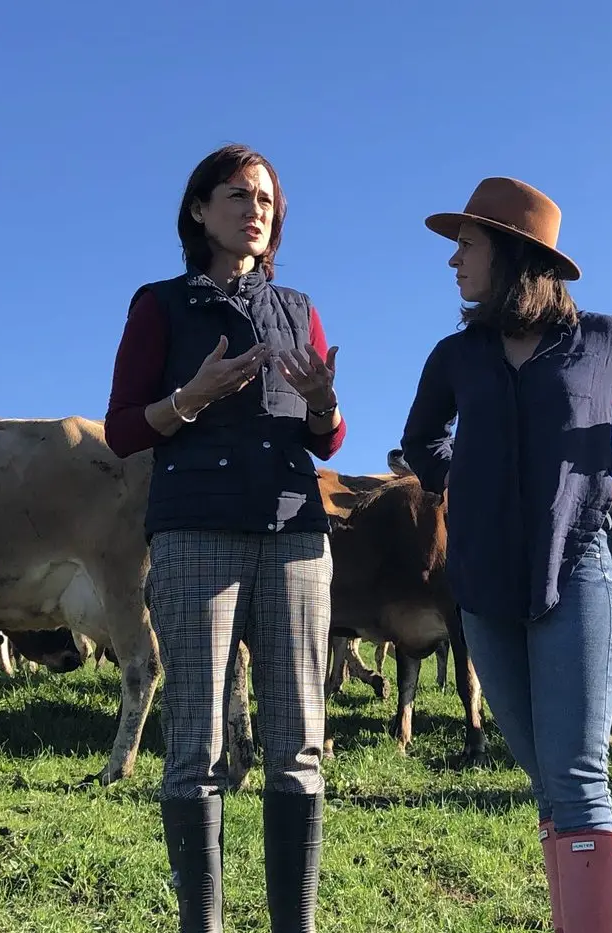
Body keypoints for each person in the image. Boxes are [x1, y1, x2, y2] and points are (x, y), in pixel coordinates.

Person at [400, 176, 612, 932]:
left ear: (515, 252)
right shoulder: (457, 355)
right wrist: (456, 473)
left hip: (581, 566)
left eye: (466, 243)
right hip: (484, 579)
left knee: (581, 775)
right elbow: (421, 437)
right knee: (546, 778)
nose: (453, 259)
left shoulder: (603, 340)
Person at [104, 143, 346, 933]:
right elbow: (120, 429)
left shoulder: (299, 306)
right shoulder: (160, 305)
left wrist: (321, 403)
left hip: (295, 534)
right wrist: (191, 397)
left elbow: (329, 441)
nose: (256, 210)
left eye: (268, 201)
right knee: (197, 747)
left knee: (298, 745)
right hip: (195, 533)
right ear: (200, 210)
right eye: (240, 195)